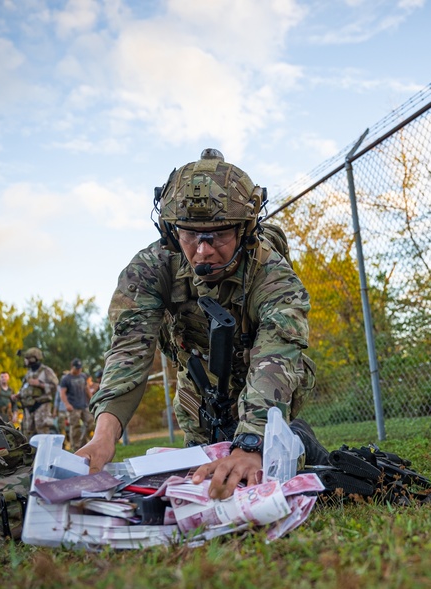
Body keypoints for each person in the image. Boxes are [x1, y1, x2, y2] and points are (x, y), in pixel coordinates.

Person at [78, 149, 330, 499]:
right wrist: (103, 438)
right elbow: (129, 351)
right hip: (197, 387)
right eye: (190, 235)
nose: (203, 251)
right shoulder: (152, 269)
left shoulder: (271, 275)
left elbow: (277, 352)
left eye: (218, 235)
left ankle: (294, 439)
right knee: (202, 477)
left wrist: (253, 441)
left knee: (261, 466)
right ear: (169, 231)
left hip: (264, 381)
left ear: (245, 229)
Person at [11, 347, 58, 442]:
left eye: (27, 358)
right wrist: (18, 395)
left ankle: (44, 454)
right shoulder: (28, 373)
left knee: (42, 432)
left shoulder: (46, 371)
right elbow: (25, 387)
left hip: (41, 406)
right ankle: (32, 455)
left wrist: (40, 384)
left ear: (34, 359)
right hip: (29, 407)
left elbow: (55, 386)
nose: (25, 361)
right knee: (28, 432)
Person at [59, 358, 94, 450]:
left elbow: (87, 389)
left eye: (80, 368)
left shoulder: (83, 376)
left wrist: (92, 400)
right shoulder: (66, 379)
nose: (78, 370)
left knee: (91, 423)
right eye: (76, 368)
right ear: (72, 367)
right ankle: (76, 447)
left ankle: (83, 443)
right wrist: (67, 405)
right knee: (75, 428)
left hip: (84, 405)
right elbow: (62, 393)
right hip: (73, 407)